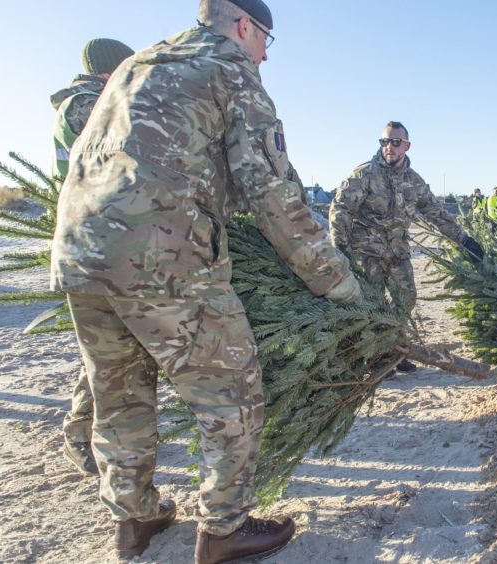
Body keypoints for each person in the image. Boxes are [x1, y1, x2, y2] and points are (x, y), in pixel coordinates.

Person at [50, 1, 363, 561]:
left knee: (117, 394)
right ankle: (223, 529)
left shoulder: (137, 64)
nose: (266, 54)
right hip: (162, 258)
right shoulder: (231, 72)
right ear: (245, 26)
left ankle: (135, 520)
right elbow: (274, 196)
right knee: (231, 394)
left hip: (81, 255)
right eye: (267, 39)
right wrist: (337, 284)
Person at [49, 37, 134, 477]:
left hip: (112, 244)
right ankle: (79, 435)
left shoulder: (95, 102)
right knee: (103, 355)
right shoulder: (84, 107)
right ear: (109, 71)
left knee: (113, 354)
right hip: (91, 247)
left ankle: (102, 435)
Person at [329, 121, 483, 315]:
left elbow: (437, 214)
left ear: (406, 145)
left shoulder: (413, 181)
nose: (389, 147)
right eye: (384, 141)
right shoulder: (365, 174)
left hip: (397, 253)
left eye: (395, 142)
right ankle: (375, 342)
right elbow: (340, 209)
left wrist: (464, 240)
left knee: (407, 300)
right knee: (369, 303)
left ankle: (393, 337)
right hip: (366, 253)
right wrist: (340, 250)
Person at [51, 38, 134, 179]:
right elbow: (129, 145)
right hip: (87, 197)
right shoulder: (84, 102)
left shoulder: (93, 99)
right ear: (117, 69)